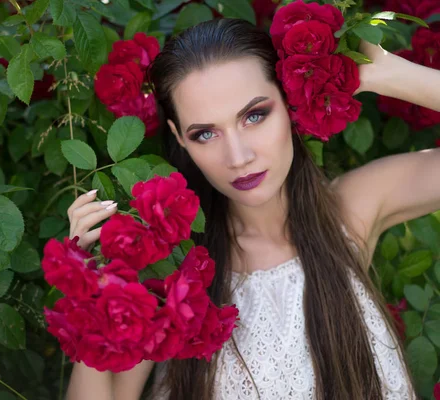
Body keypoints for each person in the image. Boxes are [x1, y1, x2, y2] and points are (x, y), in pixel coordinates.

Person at [65, 17, 440, 400]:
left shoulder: (351, 211)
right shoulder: (170, 268)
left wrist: (385, 74)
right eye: (205, 133)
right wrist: (90, 293)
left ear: (290, 102)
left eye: (255, 115)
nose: (238, 157)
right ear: (180, 139)